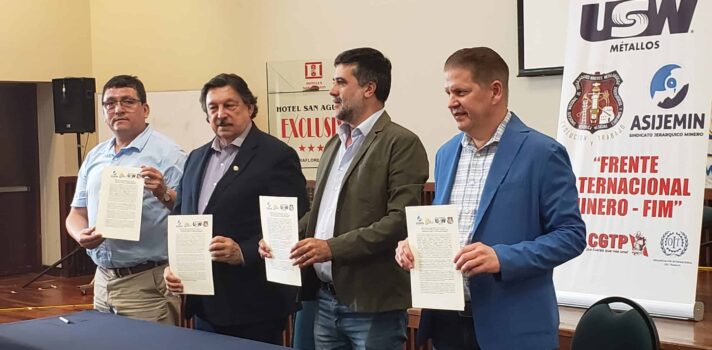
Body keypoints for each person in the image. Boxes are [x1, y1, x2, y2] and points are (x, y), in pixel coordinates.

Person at [395, 47, 586, 350]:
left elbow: (571, 236)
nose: (451, 103)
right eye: (447, 92)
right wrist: (412, 244)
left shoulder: (543, 153)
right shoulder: (446, 154)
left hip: (512, 327)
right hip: (448, 323)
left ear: (495, 91)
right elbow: (441, 223)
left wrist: (502, 258)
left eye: (461, 91)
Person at [260, 47, 429, 350]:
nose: (331, 91)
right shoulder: (334, 144)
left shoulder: (401, 143)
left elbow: (400, 221)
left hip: (372, 305)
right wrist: (282, 237)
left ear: (368, 88)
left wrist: (331, 248)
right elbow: (321, 213)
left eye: (340, 82)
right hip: (325, 299)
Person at [163, 73, 308, 345]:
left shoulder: (277, 156)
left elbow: (295, 226)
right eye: (213, 108)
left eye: (230, 105)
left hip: (254, 304)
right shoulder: (195, 157)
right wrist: (174, 266)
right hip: (203, 301)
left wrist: (243, 252)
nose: (220, 114)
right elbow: (180, 217)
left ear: (250, 107)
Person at [66, 75, 186, 325]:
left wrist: (164, 192)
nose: (118, 109)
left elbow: (189, 215)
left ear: (145, 109)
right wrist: (80, 237)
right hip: (102, 279)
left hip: (148, 283)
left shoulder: (170, 155)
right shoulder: (96, 156)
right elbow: (76, 214)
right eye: (110, 103)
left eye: (127, 101)